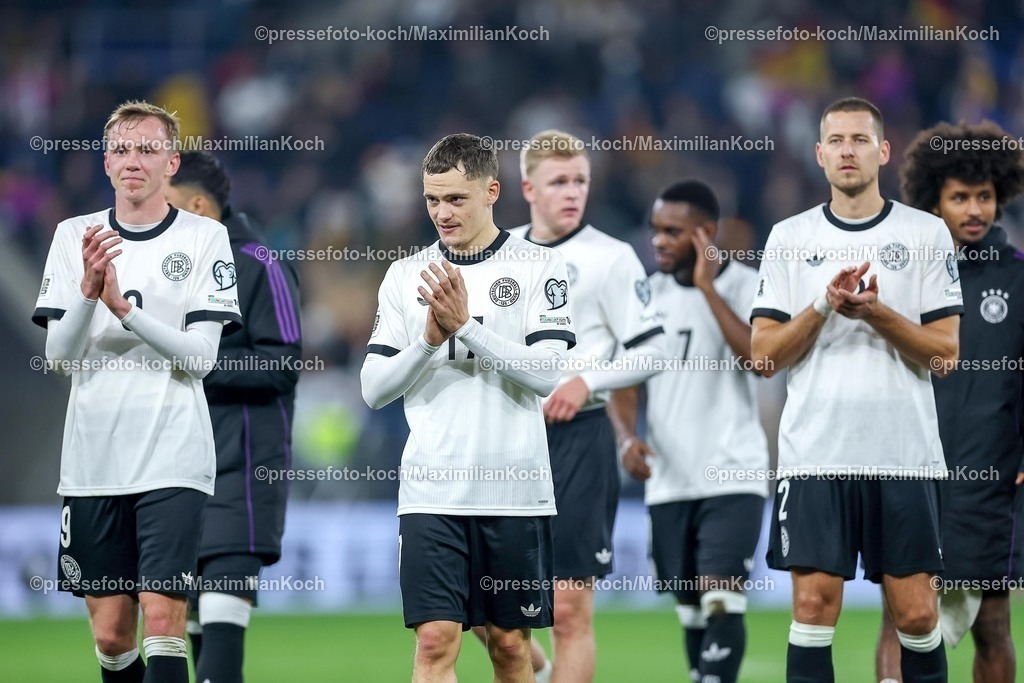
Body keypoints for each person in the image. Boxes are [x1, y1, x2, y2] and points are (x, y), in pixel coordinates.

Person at [750, 96, 962, 683]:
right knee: (813, 608)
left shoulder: (926, 233)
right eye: (836, 141)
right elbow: (764, 355)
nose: (848, 150)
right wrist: (822, 304)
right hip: (816, 455)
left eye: (860, 140)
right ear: (819, 155)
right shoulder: (789, 237)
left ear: (883, 151)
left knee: (918, 614)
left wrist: (876, 314)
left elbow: (946, 352)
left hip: (905, 456)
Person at [32, 101, 241, 683]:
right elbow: (59, 357)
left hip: (173, 456)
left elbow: (202, 358)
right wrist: (88, 290)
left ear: (171, 161)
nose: (133, 160)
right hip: (93, 460)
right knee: (111, 635)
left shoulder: (205, 238)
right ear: (106, 162)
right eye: (122, 149)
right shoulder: (74, 235)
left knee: (163, 617)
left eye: (147, 149)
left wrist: (124, 311)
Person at [360, 132, 576, 683]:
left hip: (515, 492)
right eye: (432, 199)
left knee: (510, 648)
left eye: (456, 199)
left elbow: (548, 373)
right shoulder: (406, 275)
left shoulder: (538, 268)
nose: (441, 212)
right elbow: (373, 388)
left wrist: (468, 328)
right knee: (434, 643)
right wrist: (429, 341)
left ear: (491, 192)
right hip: (431, 491)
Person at [468, 129, 665, 683]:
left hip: (580, 438)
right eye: (559, 182)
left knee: (570, 608)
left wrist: (587, 379)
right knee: (478, 601)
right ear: (527, 187)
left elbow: (655, 348)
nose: (572, 192)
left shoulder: (611, 258)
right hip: (507, 438)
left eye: (580, 181)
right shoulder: (498, 254)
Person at [874, 121, 1024, 683]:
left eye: (983, 196)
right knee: (901, 618)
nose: (974, 209)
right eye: (959, 197)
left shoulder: (1017, 278)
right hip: (911, 469)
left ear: (1000, 197)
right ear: (933, 201)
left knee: (993, 624)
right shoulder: (903, 274)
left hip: (991, 477)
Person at [608, 180, 769, 683]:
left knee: (722, 598)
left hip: (733, 473)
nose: (657, 241)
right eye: (655, 230)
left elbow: (759, 358)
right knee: (692, 608)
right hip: (669, 479)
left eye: (672, 232)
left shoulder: (747, 284)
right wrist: (625, 438)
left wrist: (707, 287)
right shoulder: (645, 297)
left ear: (706, 234)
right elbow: (624, 381)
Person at [164, 151, 302, 683]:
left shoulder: (261, 263)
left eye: (170, 205)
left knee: (220, 620)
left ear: (199, 205)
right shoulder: (172, 264)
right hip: (177, 468)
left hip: (242, 470)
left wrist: (192, 361)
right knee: (185, 621)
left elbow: (283, 363)